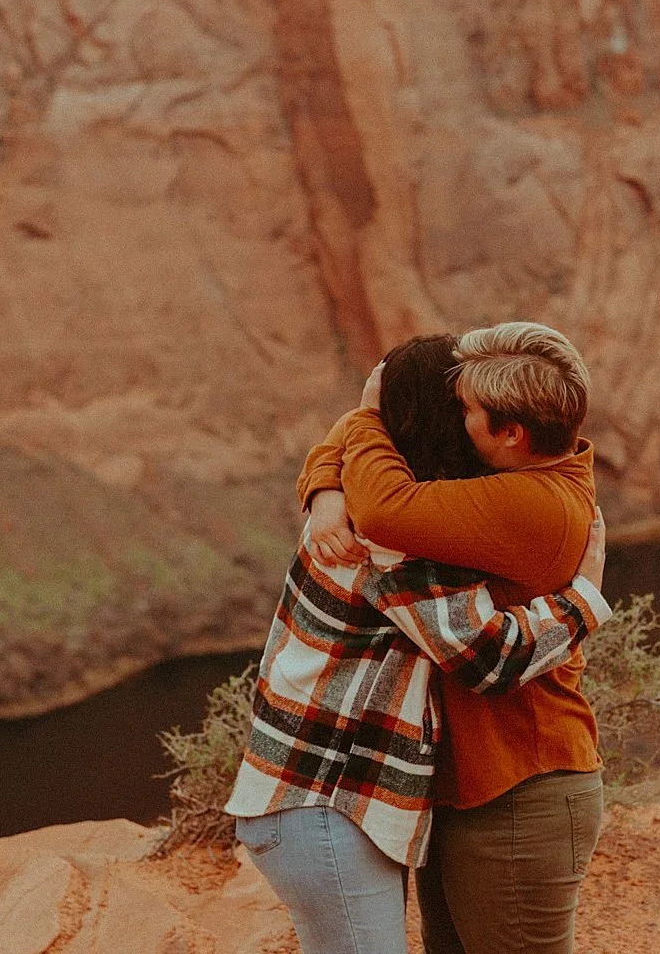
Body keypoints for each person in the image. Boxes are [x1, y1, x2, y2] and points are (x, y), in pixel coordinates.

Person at [224, 333, 612, 954]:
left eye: (472, 408)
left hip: (506, 779)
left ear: (509, 431)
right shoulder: (396, 535)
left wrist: (353, 438)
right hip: (330, 800)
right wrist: (583, 603)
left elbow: (485, 655)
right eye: (456, 405)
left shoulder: (502, 505)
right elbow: (392, 522)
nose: (465, 417)